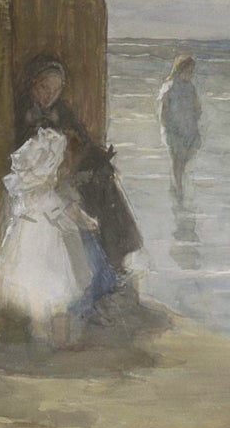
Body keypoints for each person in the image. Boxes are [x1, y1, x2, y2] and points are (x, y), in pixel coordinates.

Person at [15, 53, 143, 273]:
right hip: (43, 178)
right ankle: (108, 258)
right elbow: (27, 159)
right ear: (33, 83)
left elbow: (83, 141)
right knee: (88, 189)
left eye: (56, 91)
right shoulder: (23, 112)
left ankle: (120, 250)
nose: (50, 96)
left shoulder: (61, 110)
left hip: (68, 169)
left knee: (104, 180)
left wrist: (95, 157)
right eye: (45, 88)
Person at [0, 128, 108, 346]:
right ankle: (59, 338)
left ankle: (40, 333)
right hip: (46, 250)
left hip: (23, 247)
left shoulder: (23, 194)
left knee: (34, 294)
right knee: (57, 294)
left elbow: (14, 220)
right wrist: (87, 221)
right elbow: (66, 213)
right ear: (51, 169)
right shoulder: (48, 197)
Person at [156, 54, 202, 199]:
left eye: (192, 71)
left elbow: (197, 106)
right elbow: (163, 110)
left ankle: (176, 181)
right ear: (180, 69)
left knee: (185, 158)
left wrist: (195, 115)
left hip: (189, 128)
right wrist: (166, 125)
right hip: (173, 129)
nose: (190, 74)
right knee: (177, 158)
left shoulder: (190, 87)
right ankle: (178, 187)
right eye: (188, 71)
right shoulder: (169, 86)